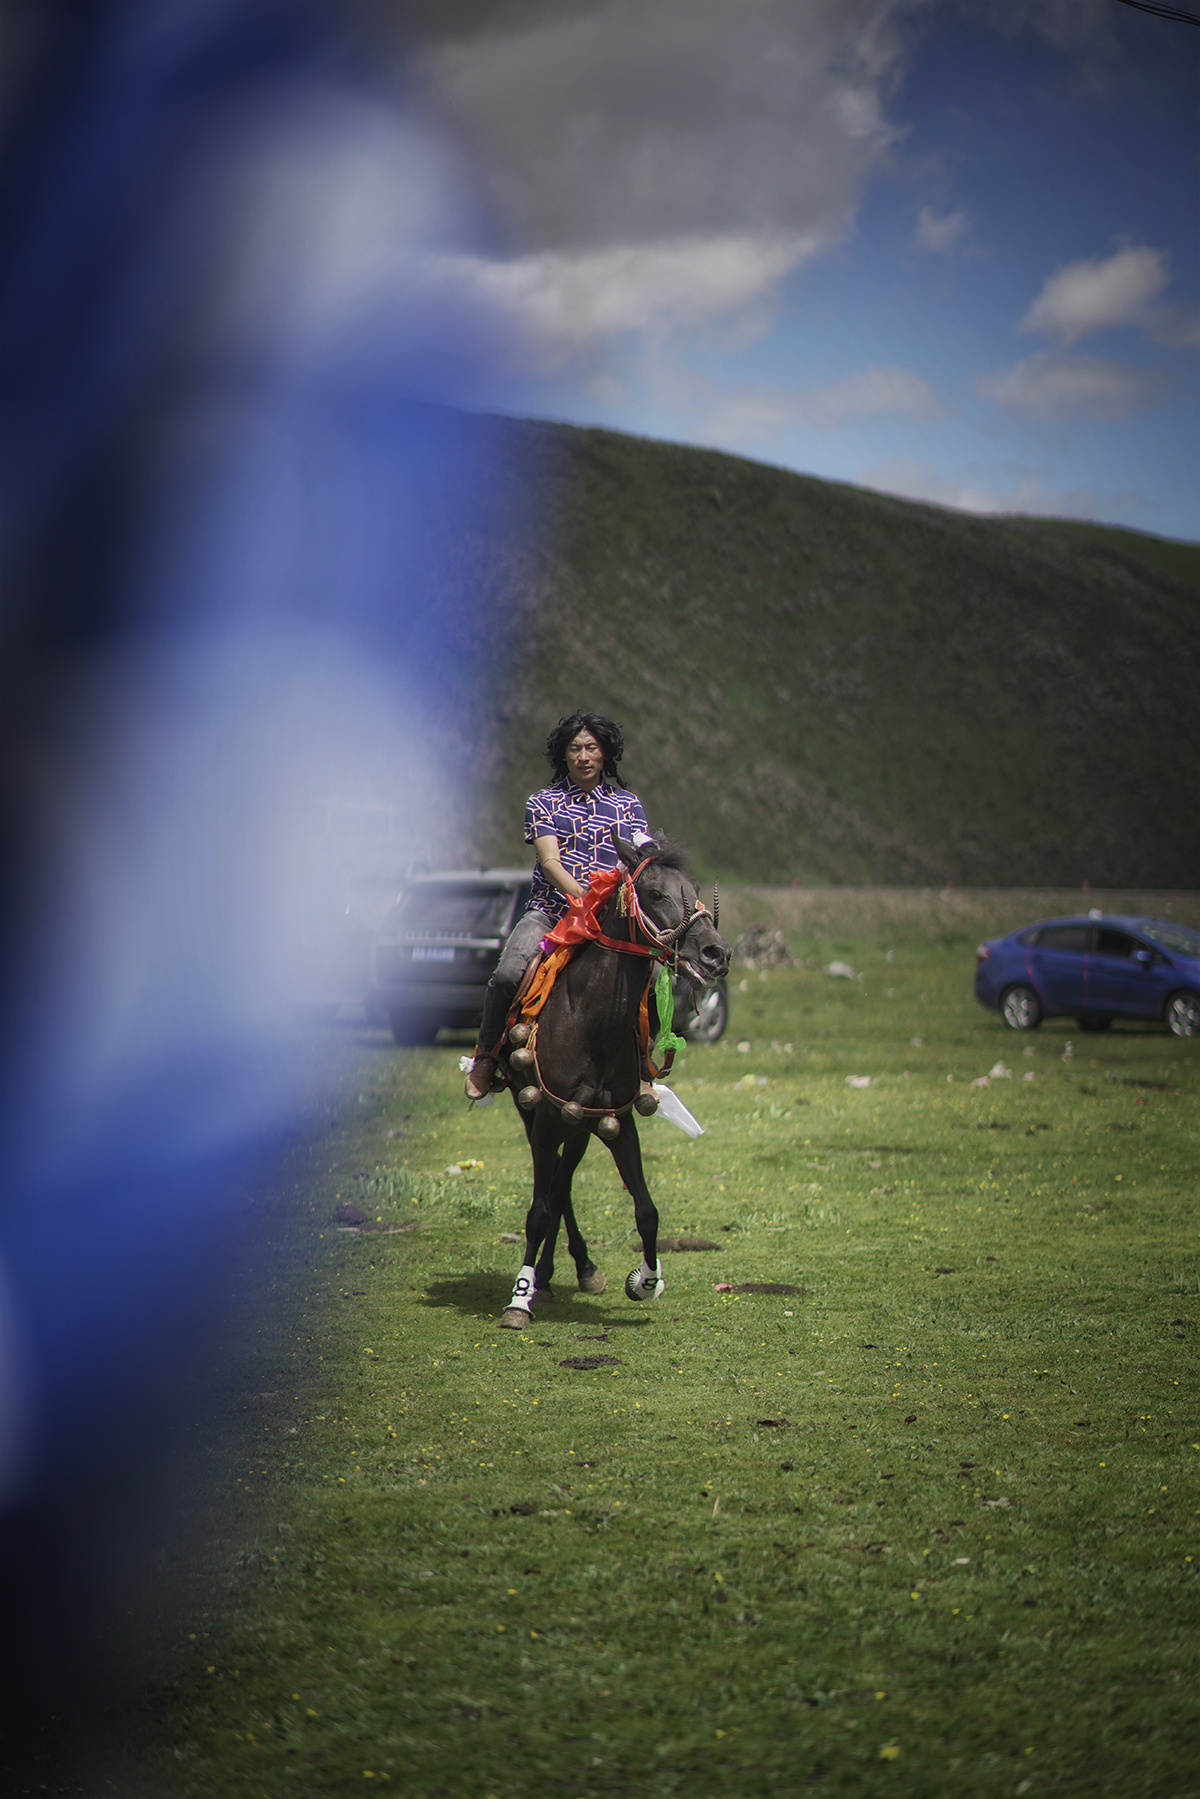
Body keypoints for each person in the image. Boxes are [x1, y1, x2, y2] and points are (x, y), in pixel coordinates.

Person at [465, 710, 652, 1099]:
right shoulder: (543, 802)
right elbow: (550, 862)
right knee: (508, 974)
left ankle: (645, 1071)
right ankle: (486, 1058)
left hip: (612, 922)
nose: (583, 757)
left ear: (605, 753)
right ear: (563, 755)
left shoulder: (628, 805)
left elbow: (644, 856)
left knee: (653, 979)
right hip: (552, 913)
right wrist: (583, 898)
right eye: (575, 749)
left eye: (591, 748)